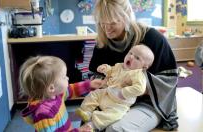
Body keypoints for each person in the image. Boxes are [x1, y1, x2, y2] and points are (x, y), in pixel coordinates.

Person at [88, 0, 179, 131]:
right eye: (102, 23)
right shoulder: (102, 43)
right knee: (88, 124)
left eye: (113, 23)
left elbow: (169, 80)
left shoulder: (153, 38)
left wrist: (135, 86)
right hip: (112, 100)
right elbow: (94, 75)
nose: (106, 28)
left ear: (126, 17)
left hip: (148, 104)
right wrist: (103, 82)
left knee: (116, 130)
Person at [76, 45, 154, 131]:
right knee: (94, 94)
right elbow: (111, 70)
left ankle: (92, 125)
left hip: (120, 103)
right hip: (108, 93)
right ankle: (86, 111)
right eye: (130, 53)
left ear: (143, 67)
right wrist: (105, 68)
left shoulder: (137, 74)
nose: (131, 56)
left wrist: (124, 92)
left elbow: (140, 88)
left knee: (111, 116)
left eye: (137, 58)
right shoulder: (119, 66)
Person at [19, 56, 103, 132]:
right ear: (51, 88)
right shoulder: (44, 114)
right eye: (64, 77)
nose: (67, 78)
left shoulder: (55, 94)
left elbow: (71, 90)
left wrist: (89, 85)